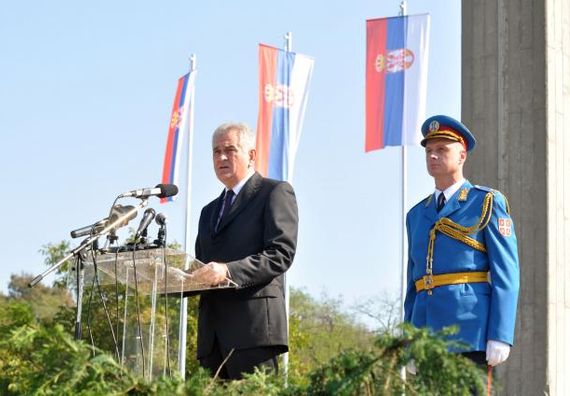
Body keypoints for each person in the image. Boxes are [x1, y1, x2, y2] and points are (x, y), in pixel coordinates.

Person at [404, 115, 520, 370]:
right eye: (429, 151)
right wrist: (410, 341)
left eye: (442, 150)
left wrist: (500, 333)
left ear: (462, 156)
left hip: (471, 331)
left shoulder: (486, 202)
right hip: (426, 334)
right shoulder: (416, 215)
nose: (433, 156)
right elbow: (413, 284)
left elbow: (506, 273)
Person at [189, 122, 298, 380]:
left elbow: (280, 253)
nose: (222, 157)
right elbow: (201, 266)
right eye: (216, 151)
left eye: (230, 149)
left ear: (251, 155)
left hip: (253, 332)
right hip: (212, 340)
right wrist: (172, 277)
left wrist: (228, 271)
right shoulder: (208, 212)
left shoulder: (274, 192)